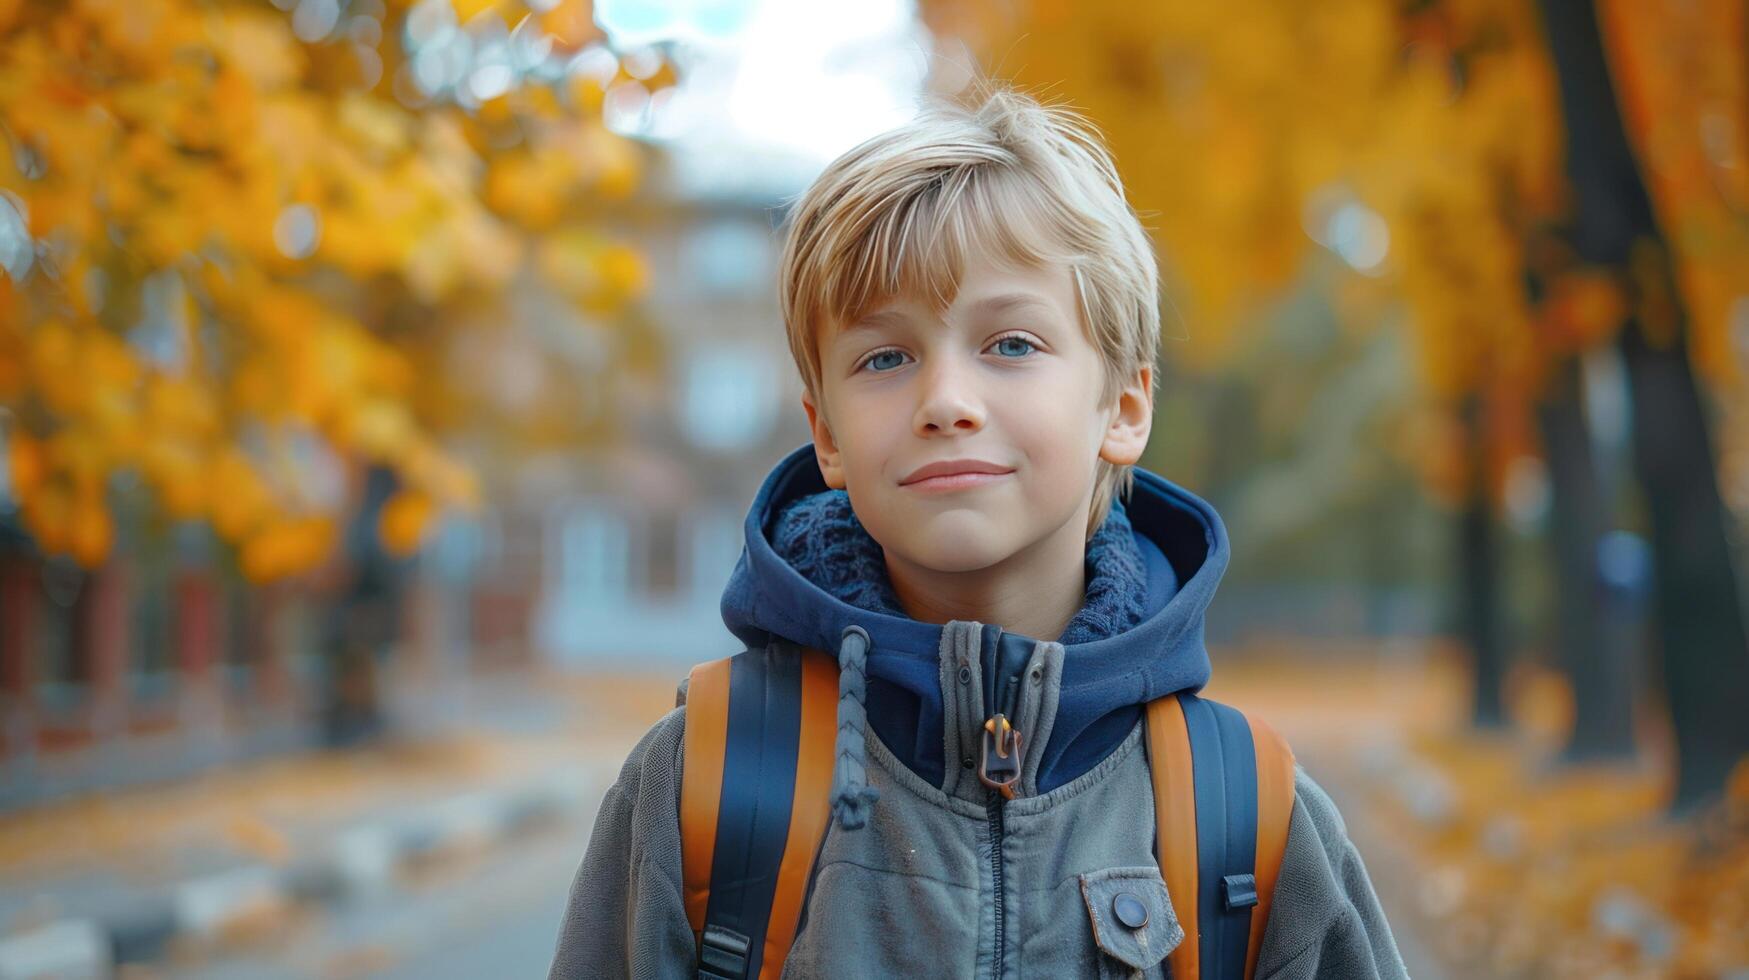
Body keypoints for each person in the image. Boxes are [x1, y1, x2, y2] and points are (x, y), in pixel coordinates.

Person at [548, 85, 1407, 980]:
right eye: (885, 358)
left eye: (1010, 345)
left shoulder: (1245, 816)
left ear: (1122, 405)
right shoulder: (707, 784)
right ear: (828, 434)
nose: (946, 402)